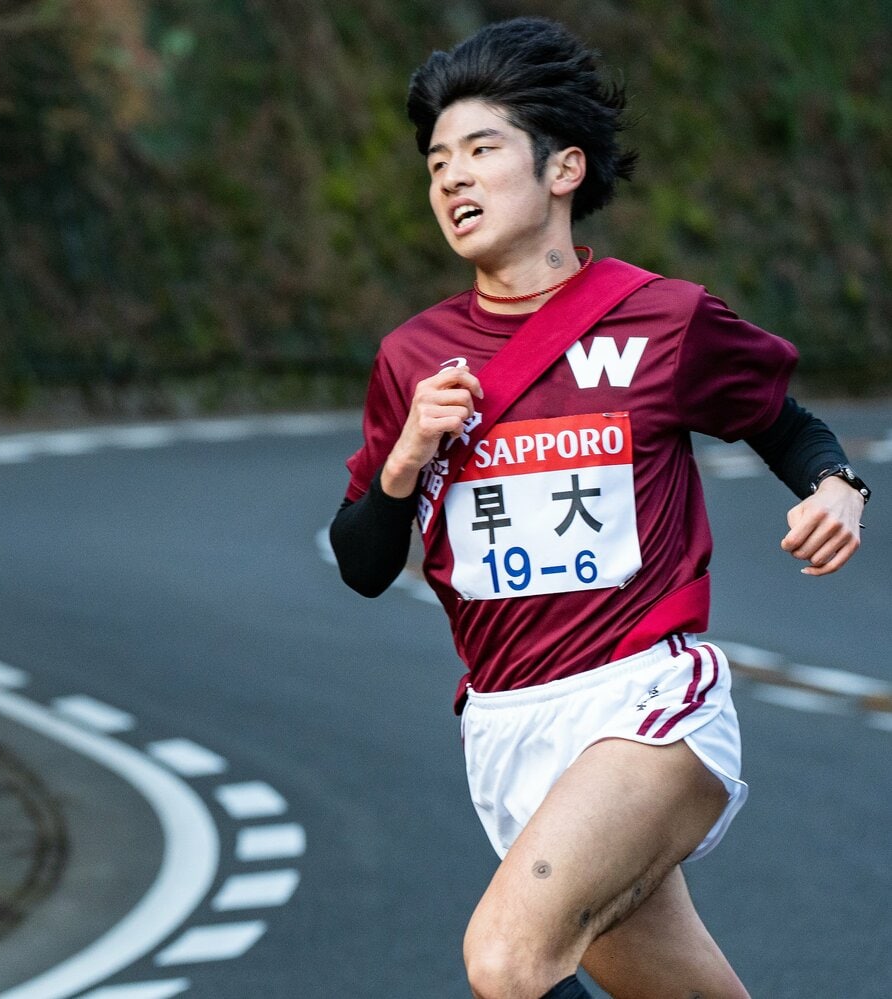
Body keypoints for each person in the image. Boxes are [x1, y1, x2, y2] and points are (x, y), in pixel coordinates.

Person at [329, 17, 870, 999]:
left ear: (563, 168)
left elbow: (783, 424)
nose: (453, 178)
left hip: (646, 704)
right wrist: (407, 451)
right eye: (437, 161)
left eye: (483, 151)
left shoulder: (663, 319)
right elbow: (364, 564)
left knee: (505, 958)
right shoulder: (414, 357)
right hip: (504, 727)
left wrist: (837, 488)